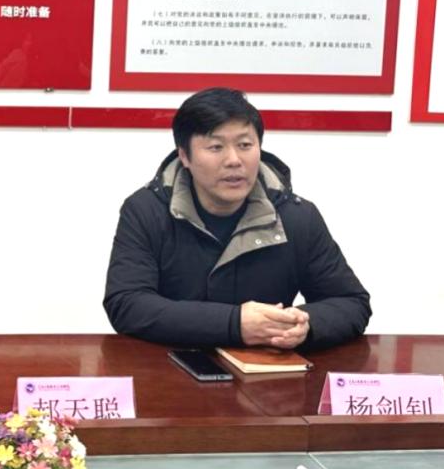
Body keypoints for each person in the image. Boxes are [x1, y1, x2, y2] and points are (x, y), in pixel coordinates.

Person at [103, 87, 370, 351]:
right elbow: (127, 303)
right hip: (169, 367)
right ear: (184, 155)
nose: (234, 160)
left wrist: (305, 325)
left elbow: (351, 302)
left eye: (245, 145)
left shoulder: (296, 217)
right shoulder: (147, 210)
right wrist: (234, 323)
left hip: (268, 372)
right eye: (216, 147)